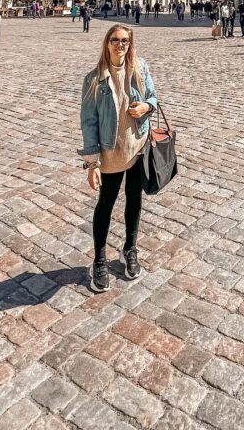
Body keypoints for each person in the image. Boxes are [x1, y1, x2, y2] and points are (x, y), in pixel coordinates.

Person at [78, 24, 157, 290]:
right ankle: (99, 259)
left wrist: (146, 106)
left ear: (130, 44)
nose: (120, 45)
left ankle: (129, 249)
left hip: (138, 148)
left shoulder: (140, 68)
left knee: (134, 201)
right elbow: (88, 122)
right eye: (115, 40)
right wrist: (92, 163)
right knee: (106, 205)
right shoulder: (94, 79)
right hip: (111, 153)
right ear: (107, 43)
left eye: (125, 40)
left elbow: (153, 99)